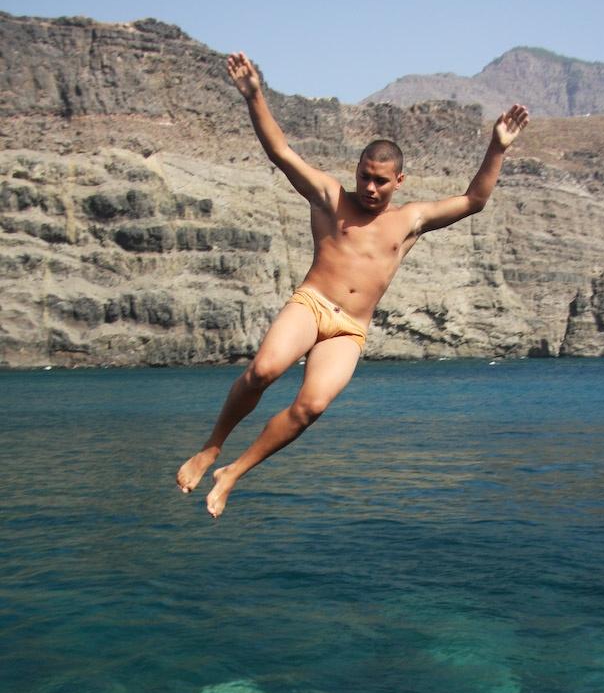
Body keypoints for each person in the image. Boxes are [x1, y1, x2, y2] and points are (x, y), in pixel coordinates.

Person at [177, 52, 529, 518]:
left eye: (381, 181)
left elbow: (474, 200)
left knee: (311, 407)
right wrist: (254, 96)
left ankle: (234, 473)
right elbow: (281, 151)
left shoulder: (410, 220)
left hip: (349, 330)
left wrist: (497, 147)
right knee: (263, 371)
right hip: (312, 303)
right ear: (356, 169)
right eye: (364, 176)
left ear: (398, 181)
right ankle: (212, 448)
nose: (369, 188)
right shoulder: (328, 197)